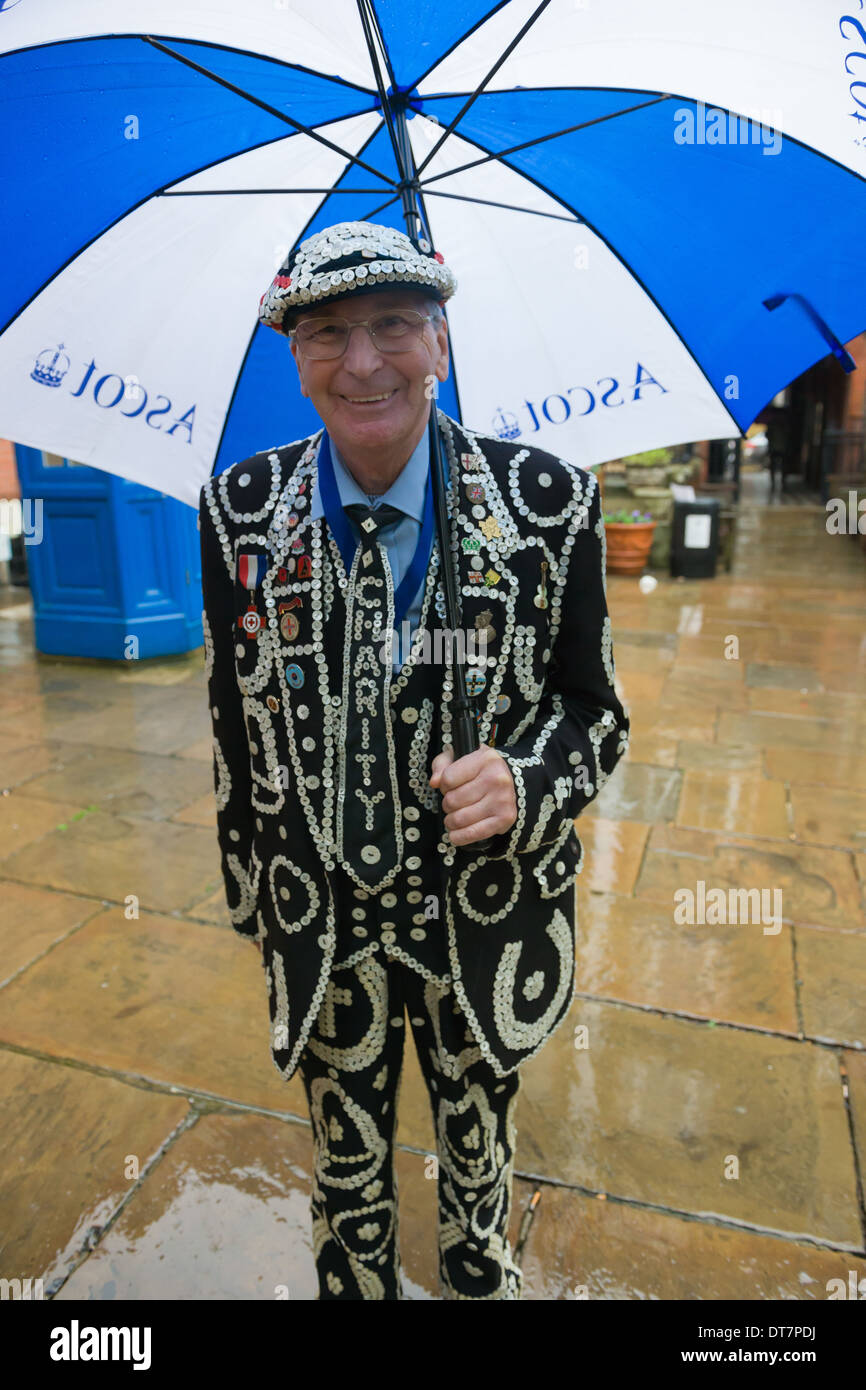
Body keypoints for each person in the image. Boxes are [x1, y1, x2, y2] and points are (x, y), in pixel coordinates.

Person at [198, 219, 629, 1300]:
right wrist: (252, 902)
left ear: (437, 338)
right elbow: (227, 722)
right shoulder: (238, 514)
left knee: (478, 1166)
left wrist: (524, 780)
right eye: (327, 333)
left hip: (481, 919)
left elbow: (596, 714)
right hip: (323, 921)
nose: (362, 361)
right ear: (292, 359)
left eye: (392, 324)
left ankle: (479, 1279)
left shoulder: (548, 508)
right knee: (343, 1180)